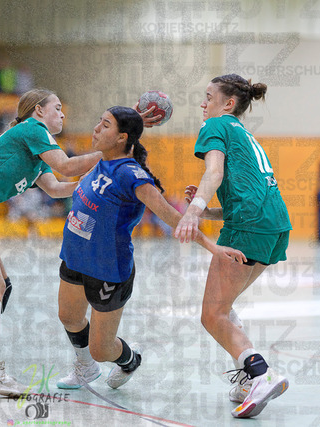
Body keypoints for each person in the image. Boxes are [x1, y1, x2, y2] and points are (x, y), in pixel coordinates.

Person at [0, 89, 158, 398]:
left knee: (1, 286)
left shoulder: (35, 153)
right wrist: (111, 149)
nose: (62, 114)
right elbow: (67, 166)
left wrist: (104, 165)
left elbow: (57, 188)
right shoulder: (32, 128)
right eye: (57, 107)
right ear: (38, 111)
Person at [55, 106, 245, 391]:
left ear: (121, 137)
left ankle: (130, 359)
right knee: (69, 317)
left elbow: (173, 217)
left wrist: (212, 247)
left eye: (104, 125)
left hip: (108, 269)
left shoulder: (132, 175)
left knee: (102, 349)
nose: (95, 128)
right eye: (99, 122)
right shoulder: (100, 162)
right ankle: (85, 367)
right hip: (74, 257)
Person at [174, 74, 292, 419]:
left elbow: (213, 174)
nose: (203, 103)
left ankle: (260, 373)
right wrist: (208, 210)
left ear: (228, 104)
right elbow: (250, 193)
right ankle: (247, 378)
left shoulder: (216, 125)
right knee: (224, 307)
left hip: (247, 227)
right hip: (275, 224)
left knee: (212, 314)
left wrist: (192, 212)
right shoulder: (245, 134)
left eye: (209, 97)